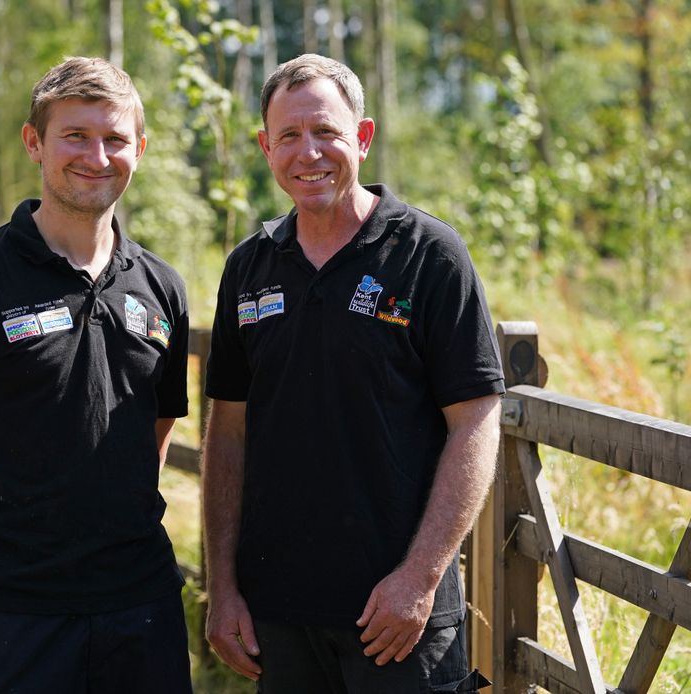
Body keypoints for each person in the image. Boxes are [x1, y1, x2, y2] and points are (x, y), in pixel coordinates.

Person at [0, 56, 193, 694]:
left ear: (139, 148)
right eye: (75, 136)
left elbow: (155, 431)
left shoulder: (162, 287)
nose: (97, 156)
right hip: (7, 611)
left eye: (114, 139)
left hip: (140, 606)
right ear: (35, 143)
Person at [202, 53, 504, 693]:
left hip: (396, 620)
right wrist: (223, 587)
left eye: (326, 132)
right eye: (288, 136)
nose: (308, 153)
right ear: (265, 148)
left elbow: (476, 421)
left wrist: (420, 578)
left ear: (361, 138)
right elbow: (226, 433)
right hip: (277, 619)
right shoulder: (249, 268)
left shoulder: (430, 256)